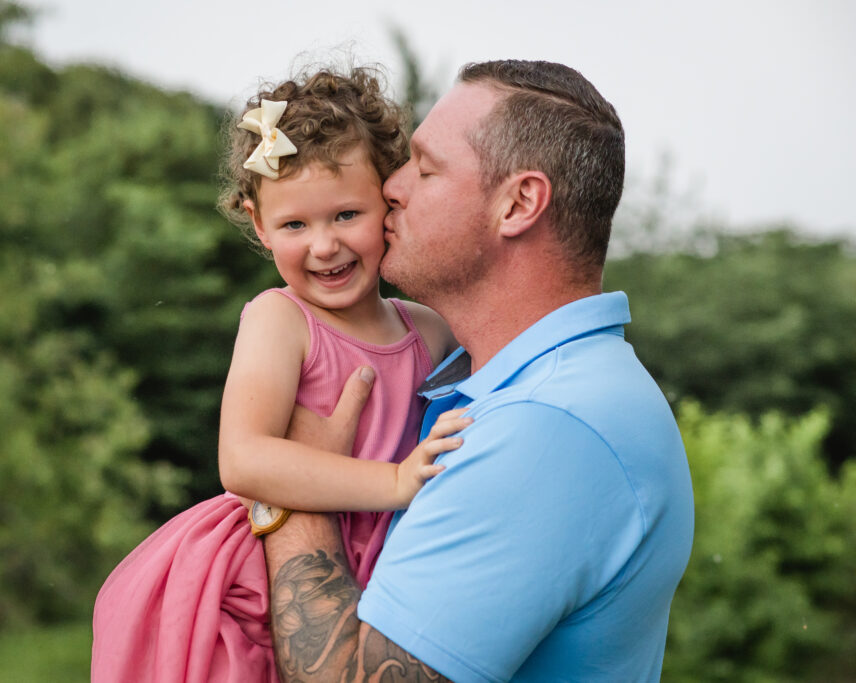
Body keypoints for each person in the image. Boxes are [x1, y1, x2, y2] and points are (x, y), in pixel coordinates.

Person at [257, 60, 695, 682]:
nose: (391, 187)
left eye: (425, 168)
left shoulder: (545, 428)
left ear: (518, 203)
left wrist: (295, 487)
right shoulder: (533, 387)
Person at [90, 66, 469, 682]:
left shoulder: (428, 328)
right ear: (259, 224)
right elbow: (244, 460)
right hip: (267, 570)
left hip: (387, 563)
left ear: (388, 201)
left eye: (346, 214)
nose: (323, 246)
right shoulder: (280, 320)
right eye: (295, 225)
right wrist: (395, 480)